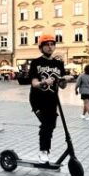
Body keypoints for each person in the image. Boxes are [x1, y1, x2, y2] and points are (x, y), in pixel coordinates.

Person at [29, 34, 72, 162]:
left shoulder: (59, 63)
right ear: (41, 48)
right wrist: (43, 82)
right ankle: (43, 151)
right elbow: (34, 83)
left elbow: (62, 86)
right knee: (46, 124)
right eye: (46, 45)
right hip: (38, 100)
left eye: (52, 44)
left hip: (52, 100)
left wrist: (65, 80)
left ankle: (45, 150)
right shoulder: (36, 63)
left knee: (51, 125)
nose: (50, 47)